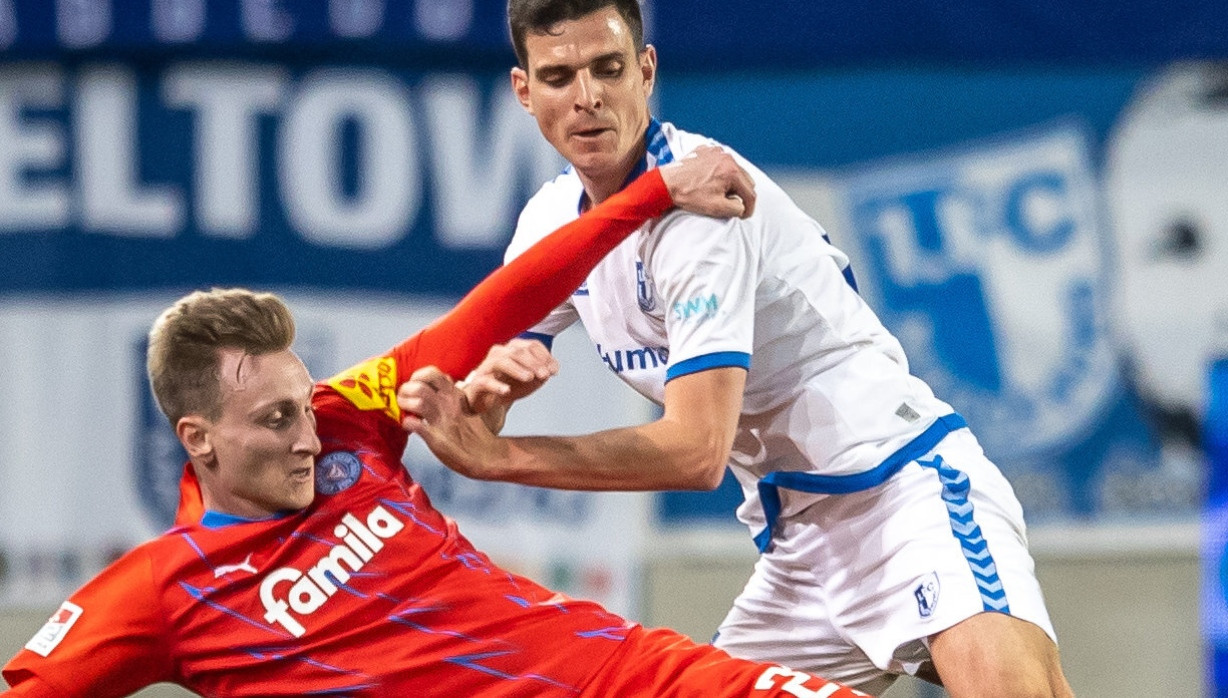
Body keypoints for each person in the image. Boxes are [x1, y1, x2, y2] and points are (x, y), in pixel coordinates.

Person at [0, 155, 869, 698]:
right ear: (198, 440)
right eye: (275, 420)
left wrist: (647, 197)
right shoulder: (163, 592)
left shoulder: (347, 423)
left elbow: (499, 304)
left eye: (303, 405)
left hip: (636, 677)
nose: (309, 437)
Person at [398, 1, 1075, 696]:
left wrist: (501, 458)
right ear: (524, 92)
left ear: (646, 71)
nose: (588, 97)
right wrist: (483, 404)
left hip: (905, 492)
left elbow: (696, 450)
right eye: (559, 76)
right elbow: (484, 394)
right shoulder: (549, 221)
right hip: (802, 550)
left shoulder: (702, 207)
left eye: (608, 68)